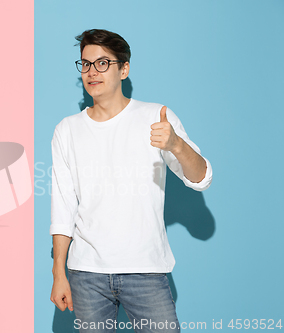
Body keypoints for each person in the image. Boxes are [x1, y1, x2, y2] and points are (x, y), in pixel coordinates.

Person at [49, 29, 213, 333]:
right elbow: (62, 206)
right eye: (85, 64)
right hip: (86, 273)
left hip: (146, 270)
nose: (91, 72)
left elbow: (201, 178)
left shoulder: (155, 116)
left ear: (123, 68)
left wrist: (177, 145)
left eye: (102, 63)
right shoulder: (67, 130)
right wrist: (59, 271)